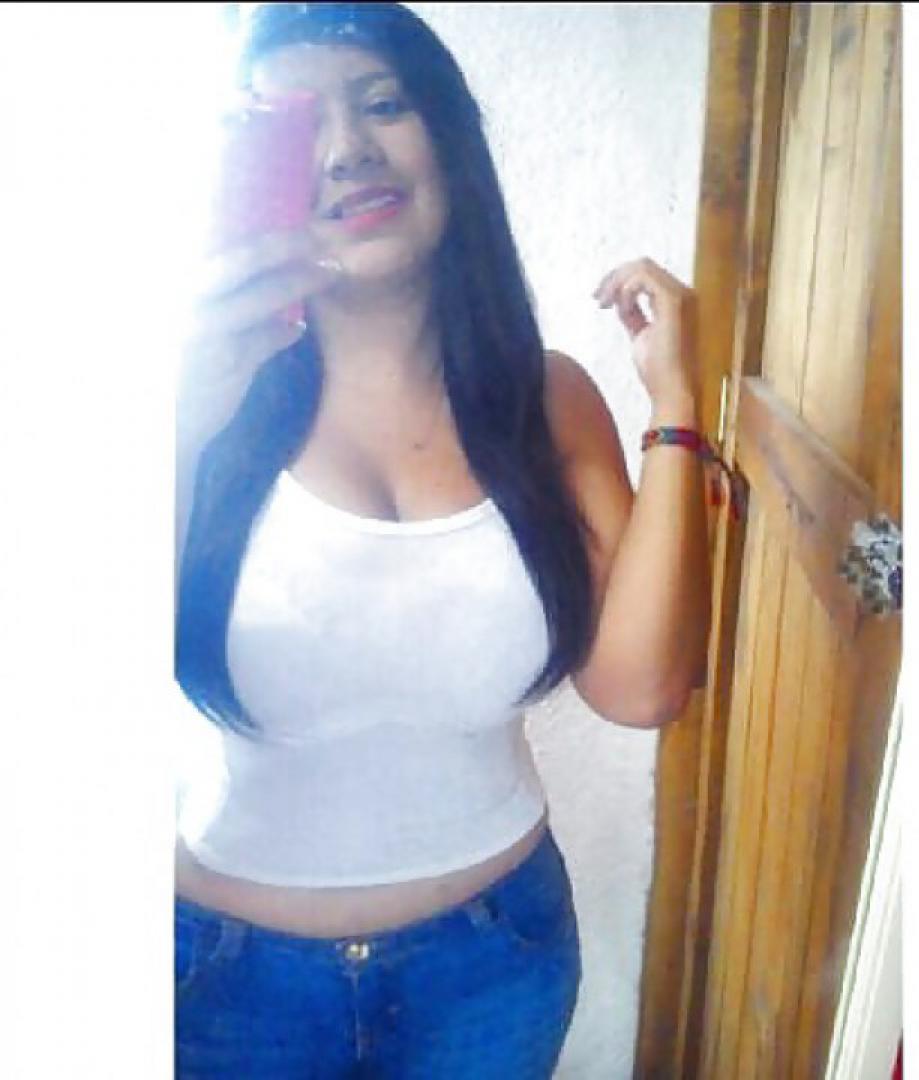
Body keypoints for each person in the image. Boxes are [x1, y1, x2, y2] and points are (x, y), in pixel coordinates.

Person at [174, 3, 711, 1076]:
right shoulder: (194, 400)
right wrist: (180, 418)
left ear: (450, 142)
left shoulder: (546, 399)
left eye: (383, 104)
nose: (346, 149)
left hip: (493, 963)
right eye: (298, 123)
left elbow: (642, 686)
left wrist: (676, 406)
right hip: (229, 984)